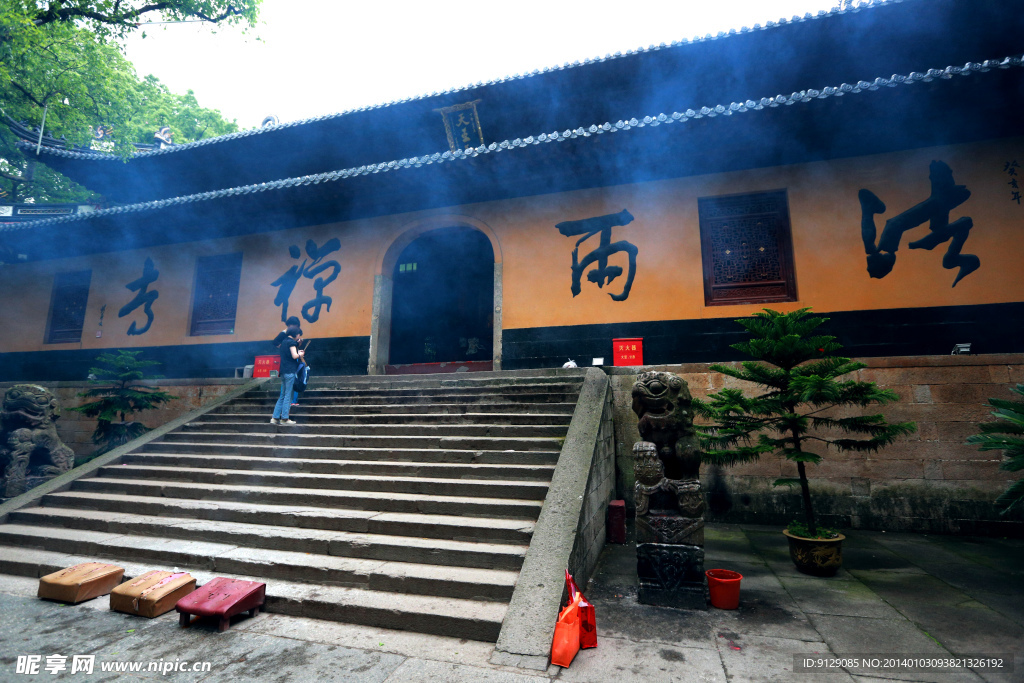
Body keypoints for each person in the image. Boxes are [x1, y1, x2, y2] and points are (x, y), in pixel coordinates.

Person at [270, 321, 304, 425]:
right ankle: (285, 418)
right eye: (298, 334)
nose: (298, 336)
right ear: (296, 334)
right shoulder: (291, 342)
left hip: (283, 371)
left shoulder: (284, 342)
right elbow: (294, 356)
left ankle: (275, 418)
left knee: (282, 395)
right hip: (290, 371)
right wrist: (300, 354)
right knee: (288, 395)